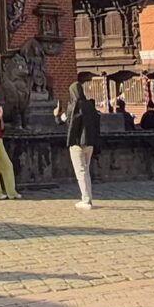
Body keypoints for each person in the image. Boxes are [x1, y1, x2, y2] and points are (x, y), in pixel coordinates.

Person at [62, 79, 101, 209]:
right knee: (86, 170)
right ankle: (88, 197)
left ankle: (86, 199)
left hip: (77, 142)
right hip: (90, 142)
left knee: (81, 171)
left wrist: (57, 116)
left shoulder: (73, 106)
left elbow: (65, 120)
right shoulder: (90, 105)